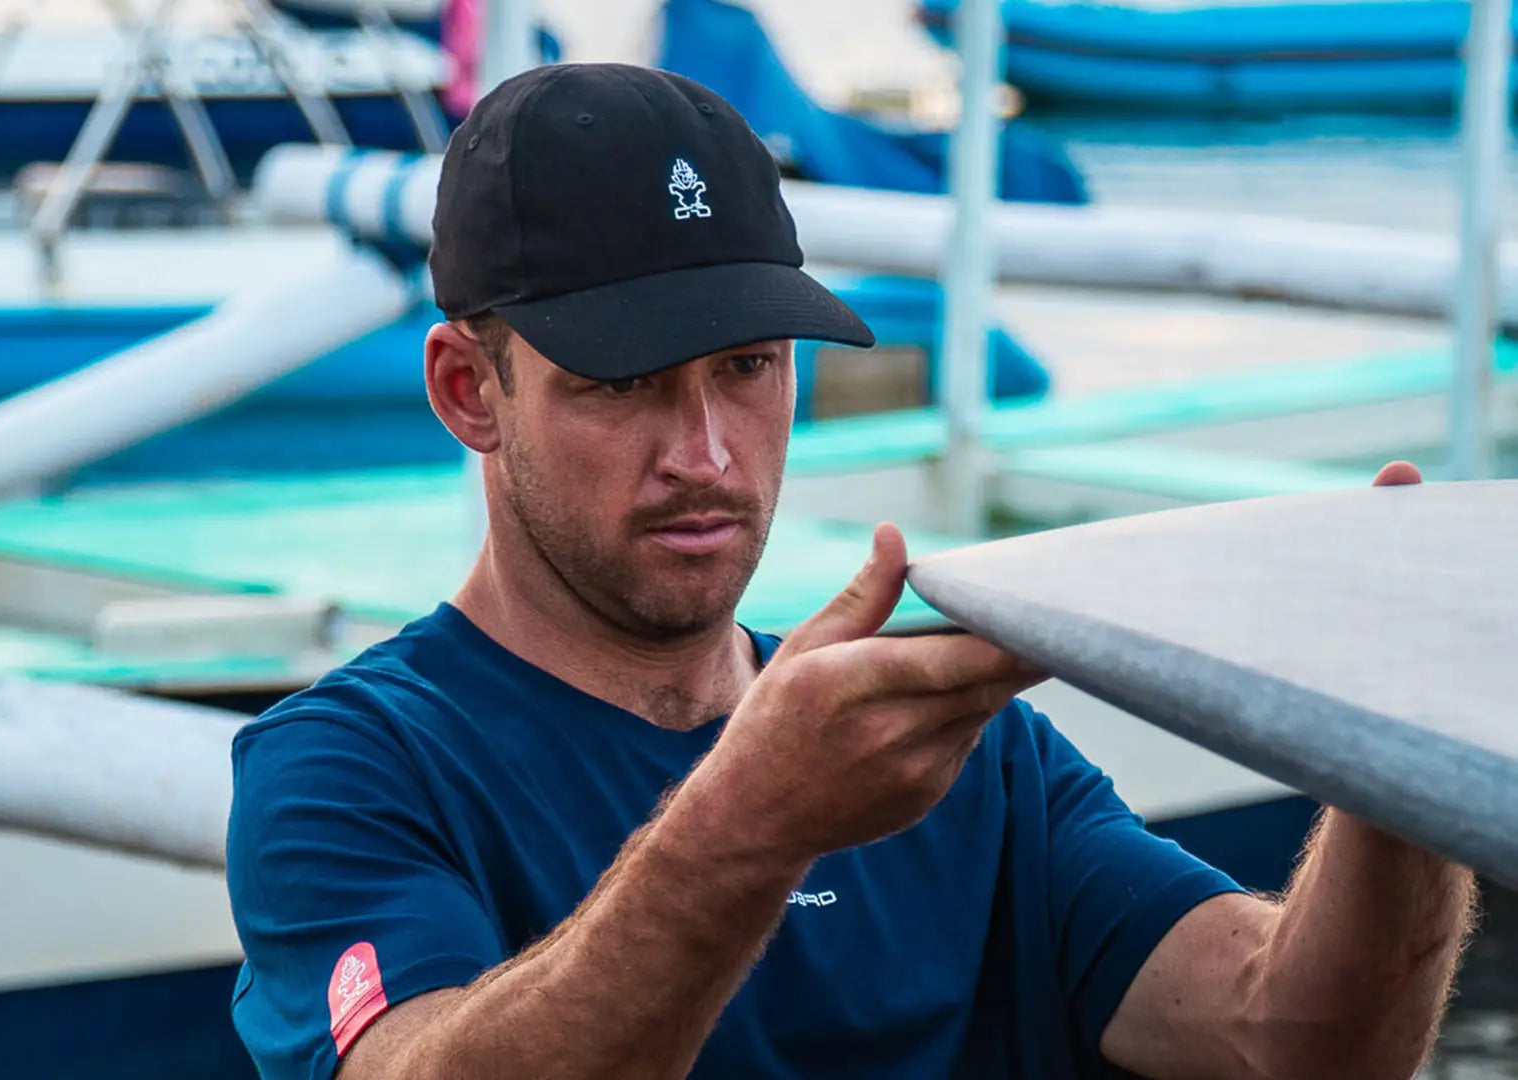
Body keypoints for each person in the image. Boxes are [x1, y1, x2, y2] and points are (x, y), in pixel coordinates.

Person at [224, 63, 1476, 1080]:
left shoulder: (969, 758)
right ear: (466, 391)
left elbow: (1297, 1043)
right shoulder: (347, 768)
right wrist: (751, 823)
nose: (706, 454)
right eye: (621, 382)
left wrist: (1400, 749)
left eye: (749, 367)